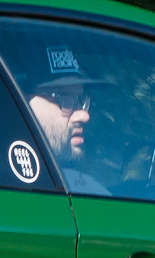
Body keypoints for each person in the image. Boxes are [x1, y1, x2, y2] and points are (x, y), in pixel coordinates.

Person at [25, 49, 113, 194]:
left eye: (80, 100)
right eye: (63, 99)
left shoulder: (81, 187)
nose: (84, 116)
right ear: (22, 101)